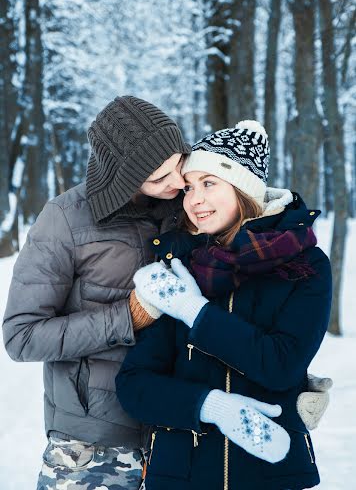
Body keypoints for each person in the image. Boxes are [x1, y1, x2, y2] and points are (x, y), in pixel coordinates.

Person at [116, 120, 332, 490]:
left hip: (269, 474)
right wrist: (209, 405)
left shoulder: (305, 265)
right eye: (188, 188)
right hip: (182, 475)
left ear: (243, 187)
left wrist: (193, 312)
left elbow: (280, 364)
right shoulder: (181, 268)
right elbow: (135, 386)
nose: (193, 199)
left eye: (208, 183)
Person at [2, 96, 192, 489]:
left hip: (179, 434)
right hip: (91, 444)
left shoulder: (190, 207)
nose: (178, 182)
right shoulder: (65, 220)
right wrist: (127, 317)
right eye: (160, 177)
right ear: (124, 179)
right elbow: (21, 337)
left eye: (179, 163)